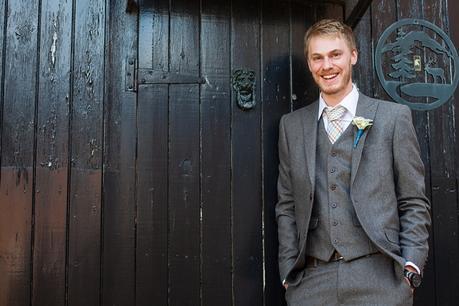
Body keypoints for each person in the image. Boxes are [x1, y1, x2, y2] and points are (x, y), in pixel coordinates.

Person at [276, 19, 431, 305]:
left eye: (336, 54)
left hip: (381, 279)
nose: (327, 65)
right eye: (317, 57)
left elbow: (412, 200)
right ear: (310, 64)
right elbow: (286, 204)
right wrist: (288, 271)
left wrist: (410, 267)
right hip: (312, 282)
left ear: (353, 56)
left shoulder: (393, 118)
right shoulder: (291, 126)